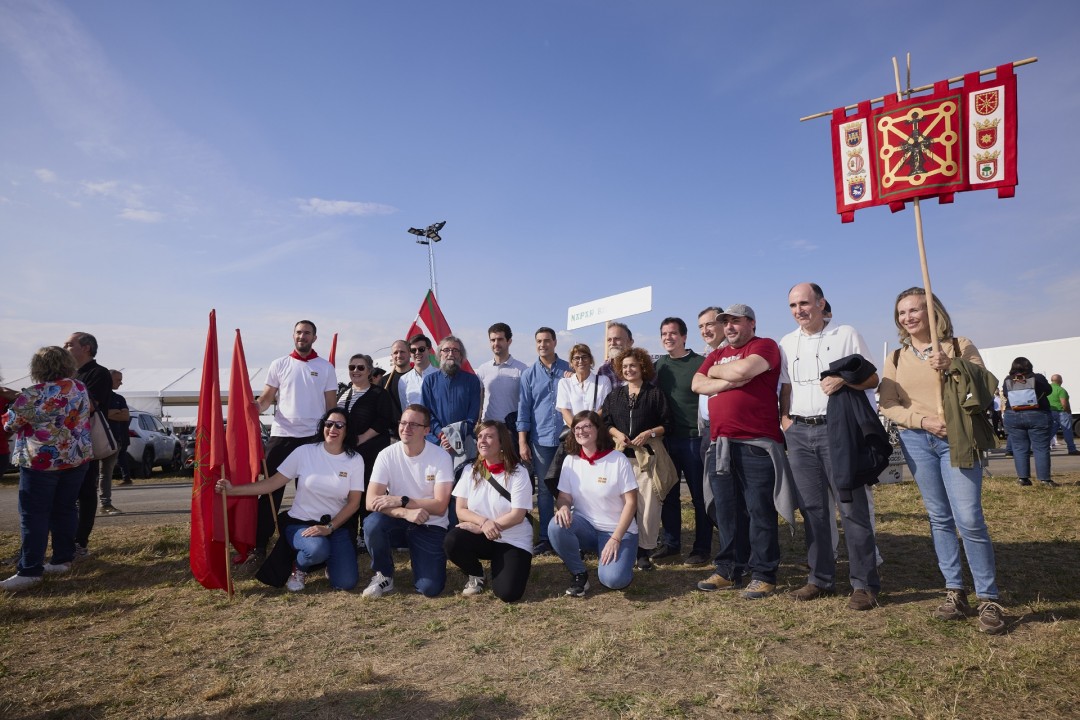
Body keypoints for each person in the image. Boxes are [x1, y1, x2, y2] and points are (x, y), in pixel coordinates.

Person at [878, 287, 1006, 635]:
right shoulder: (896, 358)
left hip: (957, 439)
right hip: (916, 440)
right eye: (902, 312)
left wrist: (953, 366)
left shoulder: (959, 346)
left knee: (969, 518)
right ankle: (955, 592)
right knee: (939, 517)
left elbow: (985, 387)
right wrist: (922, 421)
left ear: (933, 312)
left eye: (914, 310)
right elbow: (888, 404)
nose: (907, 317)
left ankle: (988, 598)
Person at [778, 283, 881, 610]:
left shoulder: (845, 334)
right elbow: (785, 385)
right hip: (799, 432)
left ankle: (864, 584)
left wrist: (845, 380)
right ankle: (819, 579)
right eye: (793, 305)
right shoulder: (786, 342)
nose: (799, 310)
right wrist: (785, 419)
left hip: (837, 431)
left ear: (821, 303)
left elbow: (873, 378)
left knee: (851, 507)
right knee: (812, 510)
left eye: (804, 303)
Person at [692, 304, 788, 600]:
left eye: (736, 321)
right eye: (726, 323)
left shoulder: (765, 346)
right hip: (720, 444)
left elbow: (745, 370)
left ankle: (763, 574)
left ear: (752, 323)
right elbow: (697, 384)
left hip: (756, 444)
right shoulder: (717, 354)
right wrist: (726, 379)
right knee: (727, 511)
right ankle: (728, 569)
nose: (730, 327)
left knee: (759, 510)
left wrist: (716, 375)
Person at [216, 408, 363, 592]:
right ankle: (299, 567)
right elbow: (271, 484)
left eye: (339, 425)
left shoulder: (354, 460)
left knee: (345, 583)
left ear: (347, 430)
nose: (333, 429)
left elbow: (354, 503)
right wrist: (233, 490)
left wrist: (329, 527)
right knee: (317, 549)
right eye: (329, 424)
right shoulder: (304, 452)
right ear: (323, 426)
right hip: (300, 523)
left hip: (335, 525)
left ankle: (328, 560)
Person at [1, 346, 92, 591]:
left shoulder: (33, 394)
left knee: (34, 515)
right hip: (76, 457)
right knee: (65, 509)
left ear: (37, 368)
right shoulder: (79, 387)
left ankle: (30, 570)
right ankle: (62, 559)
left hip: (41, 461)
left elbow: (10, 424)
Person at [252, 320, 338, 563]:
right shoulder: (279, 364)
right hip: (282, 436)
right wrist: (252, 408)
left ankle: (310, 542)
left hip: (313, 438)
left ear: (314, 338)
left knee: (312, 492)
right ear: (293, 335)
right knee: (270, 491)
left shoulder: (325, 367)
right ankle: (260, 545)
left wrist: (333, 436)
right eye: (299, 332)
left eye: (307, 333)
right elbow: (266, 398)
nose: (302, 336)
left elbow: (331, 406)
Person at [362, 404, 454, 598]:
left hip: (430, 524)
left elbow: (440, 505)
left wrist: (401, 500)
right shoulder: (386, 455)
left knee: (430, 588)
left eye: (413, 424)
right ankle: (384, 574)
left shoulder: (441, 457)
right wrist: (405, 512)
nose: (406, 428)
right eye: (403, 423)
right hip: (398, 520)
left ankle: (421, 559)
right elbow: (370, 501)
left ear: (426, 430)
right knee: (372, 524)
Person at [548, 410, 638, 596]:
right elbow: (564, 497)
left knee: (613, 580)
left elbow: (631, 503)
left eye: (587, 426)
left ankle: (623, 558)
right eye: (576, 428)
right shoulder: (570, 461)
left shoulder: (617, 460)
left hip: (617, 531)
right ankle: (579, 574)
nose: (581, 431)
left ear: (598, 429)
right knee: (556, 525)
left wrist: (615, 539)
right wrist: (563, 507)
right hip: (586, 527)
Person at [602, 347, 676, 571]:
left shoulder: (655, 394)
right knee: (621, 505)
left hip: (647, 459)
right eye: (624, 366)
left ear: (642, 367)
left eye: (633, 365)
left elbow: (668, 424)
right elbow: (606, 422)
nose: (628, 370)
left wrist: (649, 433)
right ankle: (625, 545)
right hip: (621, 459)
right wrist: (617, 434)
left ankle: (644, 550)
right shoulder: (615, 395)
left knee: (648, 505)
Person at [443, 420, 533, 602]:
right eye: (480, 436)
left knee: (508, 594)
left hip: (512, 539)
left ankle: (505, 565)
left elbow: (517, 515)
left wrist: (485, 527)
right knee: (452, 541)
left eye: (489, 436)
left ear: (502, 443)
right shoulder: (469, 470)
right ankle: (476, 573)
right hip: (482, 534)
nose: (482, 441)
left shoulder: (519, 472)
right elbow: (460, 510)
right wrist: (483, 524)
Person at [653, 317, 710, 566]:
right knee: (669, 495)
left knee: (699, 497)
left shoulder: (700, 363)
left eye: (673, 333)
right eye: (664, 334)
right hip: (667, 440)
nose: (668, 337)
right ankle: (671, 544)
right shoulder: (659, 366)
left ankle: (702, 547)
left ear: (684, 337)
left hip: (694, 439)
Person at [517, 327, 572, 555]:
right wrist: (522, 442)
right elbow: (524, 410)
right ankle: (547, 538)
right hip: (541, 441)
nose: (543, 345)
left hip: (569, 439)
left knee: (573, 488)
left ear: (555, 342)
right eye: (539, 341)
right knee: (545, 490)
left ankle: (571, 533)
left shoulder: (569, 369)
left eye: (547, 340)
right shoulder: (528, 375)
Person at [337, 353, 395, 547]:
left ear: (369, 371)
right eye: (352, 367)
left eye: (361, 367)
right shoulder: (343, 393)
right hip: (346, 454)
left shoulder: (379, 394)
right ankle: (348, 532)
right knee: (347, 492)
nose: (356, 371)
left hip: (369, 452)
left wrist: (362, 438)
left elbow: (384, 420)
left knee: (365, 492)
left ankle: (365, 534)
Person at [65, 331, 112, 558]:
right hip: (62, 443)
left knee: (85, 492)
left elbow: (90, 405)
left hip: (84, 443)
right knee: (64, 496)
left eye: (69, 344)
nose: (65, 348)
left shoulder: (98, 373)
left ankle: (79, 542)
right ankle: (63, 541)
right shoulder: (66, 374)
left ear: (86, 348)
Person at [421, 336, 482, 458]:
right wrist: (442, 435)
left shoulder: (472, 381)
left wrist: (456, 436)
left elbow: (473, 415)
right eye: (446, 350)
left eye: (455, 350)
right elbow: (426, 413)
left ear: (461, 355)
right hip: (436, 442)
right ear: (440, 354)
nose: (451, 354)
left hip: (464, 442)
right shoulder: (429, 381)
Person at [1002, 357, 1055, 487]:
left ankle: (1023, 479)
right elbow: (1049, 390)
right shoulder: (1038, 378)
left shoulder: (1008, 379)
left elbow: (1005, 394)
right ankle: (1044, 480)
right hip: (1038, 414)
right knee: (1040, 448)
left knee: (1019, 448)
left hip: (1013, 415)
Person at [475, 323, 528, 425]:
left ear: (509, 341)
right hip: (488, 426)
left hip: (512, 428)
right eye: (493, 340)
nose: (496, 343)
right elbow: (480, 400)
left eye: (500, 339)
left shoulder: (522, 369)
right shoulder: (483, 369)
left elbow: (526, 402)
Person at [98, 369, 130, 514]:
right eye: (118, 380)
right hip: (95, 440)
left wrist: (107, 413)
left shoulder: (119, 398)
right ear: (109, 380)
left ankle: (105, 504)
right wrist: (113, 412)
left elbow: (125, 416)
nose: (121, 383)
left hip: (114, 441)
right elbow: (97, 414)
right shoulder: (97, 397)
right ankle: (80, 504)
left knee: (106, 473)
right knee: (90, 474)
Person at [555, 343, 611, 426]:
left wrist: (588, 426)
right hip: (574, 430)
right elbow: (565, 411)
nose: (580, 361)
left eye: (584, 357)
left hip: (595, 429)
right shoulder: (564, 383)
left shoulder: (603, 381)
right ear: (571, 362)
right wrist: (578, 429)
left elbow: (605, 408)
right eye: (576, 358)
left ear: (590, 360)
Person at [399, 334, 438, 411]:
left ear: (429, 350)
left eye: (421, 349)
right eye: (413, 350)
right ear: (410, 353)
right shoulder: (403, 380)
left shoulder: (441, 375)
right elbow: (405, 409)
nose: (417, 353)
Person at [381, 340, 411, 436]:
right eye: (395, 352)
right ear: (392, 356)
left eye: (402, 352)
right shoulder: (384, 381)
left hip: (414, 432)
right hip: (391, 435)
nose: (399, 355)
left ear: (410, 353)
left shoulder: (418, 378)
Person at [1048, 374, 1078, 455]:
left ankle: (1044, 447)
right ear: (1060, 381)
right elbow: (1064, 404)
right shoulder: (1061, 390)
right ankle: (1072, 449)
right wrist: (1068, 411)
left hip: (1050, 412)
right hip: (1062, 413)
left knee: (1051, 431)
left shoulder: (1047, 389)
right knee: (1067, 431)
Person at [597, 322, 633, 390]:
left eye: (617, 339)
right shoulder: (603, 369)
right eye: (609, 340)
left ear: (630, 342)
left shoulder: (642, 366)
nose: (612, 343)